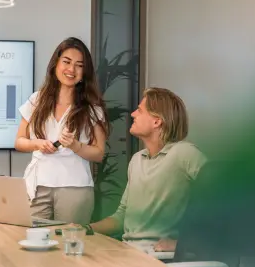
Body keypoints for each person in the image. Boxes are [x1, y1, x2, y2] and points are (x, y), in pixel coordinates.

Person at [85, 87, 206, 252]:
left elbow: (226, 196)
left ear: (157, 121)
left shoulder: (184, 153)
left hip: (156, 257)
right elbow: (121, 217)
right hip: (128, 250)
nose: (133, 114)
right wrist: (83, 229)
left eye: (140, 111)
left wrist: (183, 244)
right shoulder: (137, 160)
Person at [15, 37, 109, 224]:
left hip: (75, 188)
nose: (71, 70)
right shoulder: (37, 100)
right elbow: (19, 141)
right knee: (32, 242)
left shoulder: (92, 107)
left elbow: (99, 153)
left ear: (85, 72)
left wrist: (75, 145)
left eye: (79, 65)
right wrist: (37, 143)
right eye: (66, 62)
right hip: (37, 185)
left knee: (70, 245)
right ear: (56, 64)